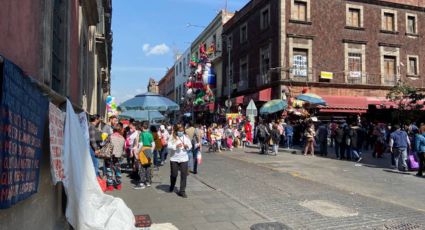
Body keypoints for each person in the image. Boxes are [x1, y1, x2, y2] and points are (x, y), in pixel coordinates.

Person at [167, 124, 192, 198]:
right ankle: (172, 185)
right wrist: (175, 146)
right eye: (179, 131)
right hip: (174, 158)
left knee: (184, 175)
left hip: (184, 158)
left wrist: (187, 146)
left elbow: (190, 145)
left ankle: (182, 191)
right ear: (176, 130)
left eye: (182, 131)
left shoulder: (186, 137)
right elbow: (168, 146)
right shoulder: (172, 137)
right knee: (174, 174)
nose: (181, 132)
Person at [134, 122, 155, 189]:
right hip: (149, 150)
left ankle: (142, 182)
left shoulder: (141, 134)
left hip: (142, 151)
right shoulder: (150, 134)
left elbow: (141, 144)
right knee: (148, 167)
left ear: (142, 128)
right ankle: (148, 181)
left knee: (142, 167)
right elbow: (153, 144)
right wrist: (151, 151)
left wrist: (137, 152)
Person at [109, 123, 125, 190]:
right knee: (118, 170)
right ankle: (118, 185)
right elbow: (123, 148)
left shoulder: (110, 137)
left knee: (109, 170)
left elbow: (103, 144)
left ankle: (110, 186)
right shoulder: (122, 138)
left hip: (110, 156)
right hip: (118, 156)